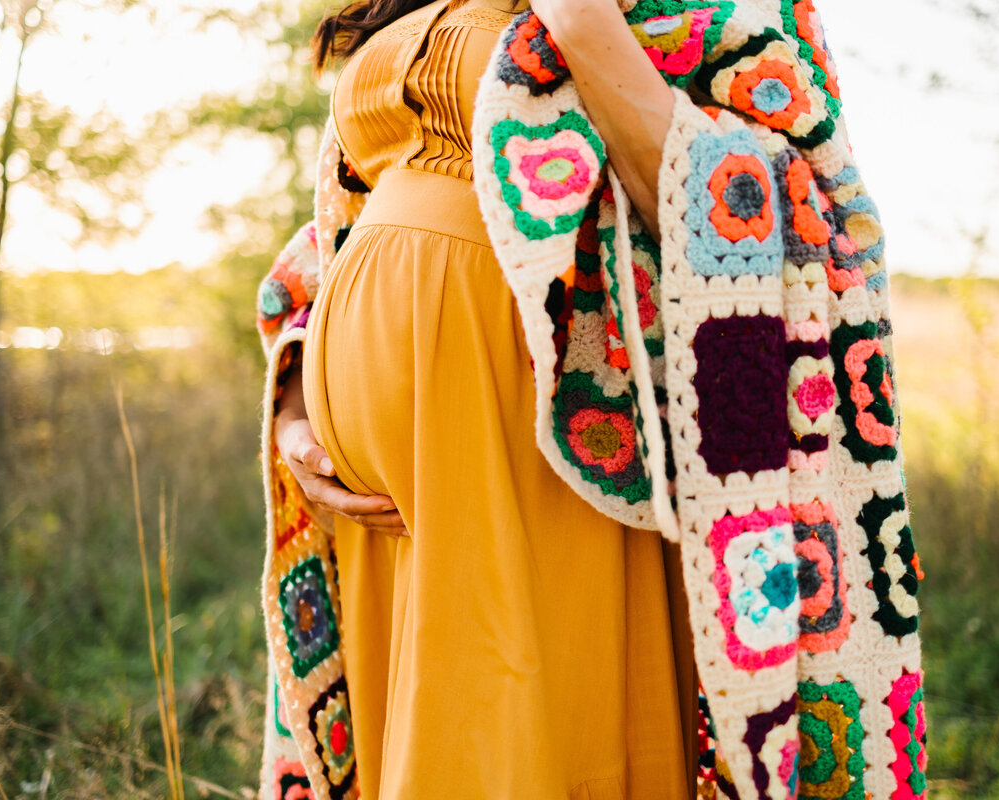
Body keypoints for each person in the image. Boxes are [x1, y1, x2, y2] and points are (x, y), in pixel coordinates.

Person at [271, 1, 698, 798]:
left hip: (541, 426)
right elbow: (330, 235)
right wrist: (298, 413)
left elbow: (709, 199)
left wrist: (579, 18)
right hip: (384, 501)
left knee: (519, 734)